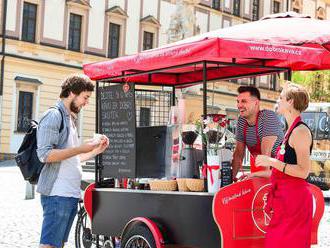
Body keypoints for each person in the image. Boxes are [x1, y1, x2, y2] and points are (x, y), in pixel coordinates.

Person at [36, 74, 109, 248]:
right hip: (57, 194)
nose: (86, 102)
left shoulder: (71, 120)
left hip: (69, 194)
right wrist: (80, 148)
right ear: (72, 93)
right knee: (49, 245)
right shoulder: (54, 115)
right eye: (85, 97)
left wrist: (95, 151)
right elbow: (45, 155)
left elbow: (72, 159)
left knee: (58, 244)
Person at [255, 83, 313, 248]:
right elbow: (283, 171)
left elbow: (303, 171)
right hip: (285, 202)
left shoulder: (300, 132)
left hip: (294, 203)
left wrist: (271, 161)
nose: (277, 100)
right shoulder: (290, 131)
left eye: (281, 98)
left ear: (291, 102)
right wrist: (258, 174)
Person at [232, 86, 284, 180]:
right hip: (260, 173)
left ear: (256, 103)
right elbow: (238, 154)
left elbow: (266, 155)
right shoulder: (242, 121)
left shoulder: (268, 117)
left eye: (244, 101)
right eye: (238, 101)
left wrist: (262, 185)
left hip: (280, 175)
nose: (239, 105)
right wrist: (230, 179)